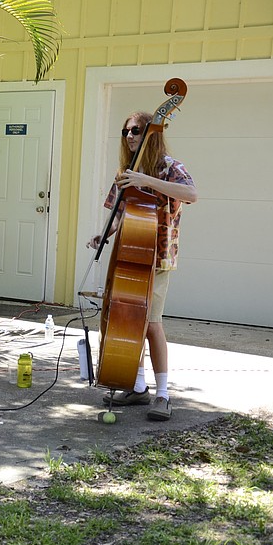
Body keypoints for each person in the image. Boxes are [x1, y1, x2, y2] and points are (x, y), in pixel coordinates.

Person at [88, 111, 197, 421]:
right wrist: (105, 233)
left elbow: (192, 194)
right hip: (128, 253)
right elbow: (120, 213)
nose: (130, 136)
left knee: (150, 323)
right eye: (126, 131)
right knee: (127, 319)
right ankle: (138, 387)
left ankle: (163, 395)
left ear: (151, 133)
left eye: (136, 130)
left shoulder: (170, 167)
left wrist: (145, 180)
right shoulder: (125, 171)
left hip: (158, 257)